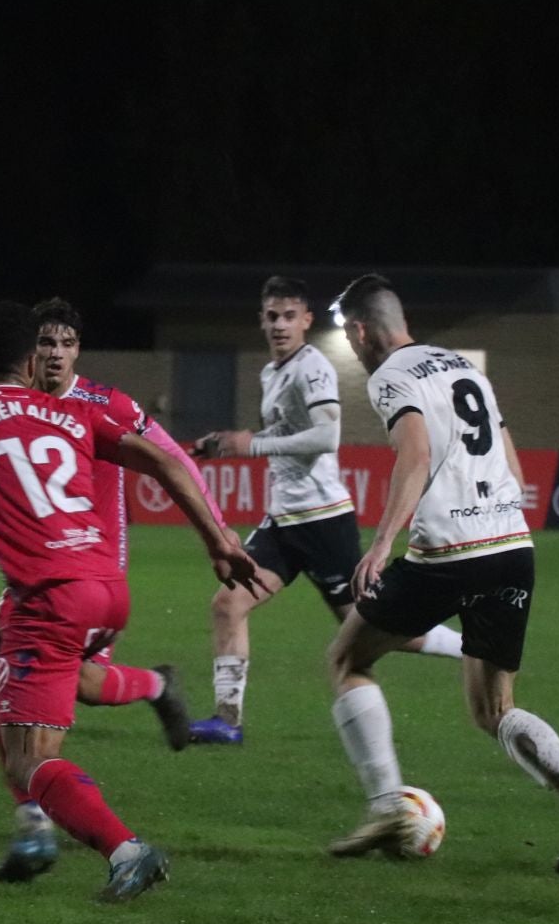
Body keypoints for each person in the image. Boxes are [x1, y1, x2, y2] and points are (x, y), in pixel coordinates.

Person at [0, 301, 257, 903]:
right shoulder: (71, 415)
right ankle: (150, 694)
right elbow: (162, 459)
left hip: (51, 598)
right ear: (30, 359)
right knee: (14, 679)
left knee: (31, 763)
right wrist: (218, 539)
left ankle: (116, 848)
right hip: (109, 588)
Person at [324, 273, 559, 876]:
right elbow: (507, 453)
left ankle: (387, 805)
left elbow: (416, 452)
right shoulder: (462, 366)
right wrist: (502, 515)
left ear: (359, 330)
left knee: (348, 659)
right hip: (510, 543)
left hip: (449, 551)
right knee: (494, 708)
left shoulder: (391, 376)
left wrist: (382, 544)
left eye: (349, 336)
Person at [0, 298, 230, 758]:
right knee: (63, 681)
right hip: (36, 570)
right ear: (28, 352)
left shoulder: (106, 404)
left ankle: (36, 809)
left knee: (25, 688)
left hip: (93, 572)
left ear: (78, 351)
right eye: (46, 342)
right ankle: (157, 685)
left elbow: (172, 460)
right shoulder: (10, 410)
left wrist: (218, 529)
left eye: (68, 343)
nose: (56, 352)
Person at [188, 275, 463, 745]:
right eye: (272, 316)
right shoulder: (271, 374)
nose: (279, 325)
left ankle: (470, 645)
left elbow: (325, 437)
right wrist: (230, 443)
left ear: (306, 321)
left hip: (323, 522)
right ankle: (227, 720)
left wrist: (249, 444)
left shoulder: (313, 366)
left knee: (374, 627)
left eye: (289, 316)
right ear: (262, 319)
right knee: (228, 603)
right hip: (284, 523)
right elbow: (281, 437)